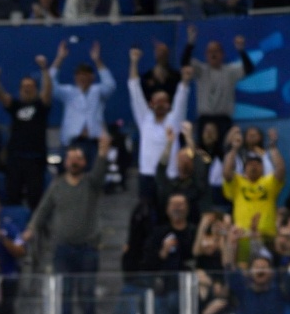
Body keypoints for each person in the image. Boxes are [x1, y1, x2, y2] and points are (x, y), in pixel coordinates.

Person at [24, 138, 110, 314]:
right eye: (71, 158)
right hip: (63, 248)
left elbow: (100, 172)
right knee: (65, 292)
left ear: (84, 163)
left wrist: (103, 152)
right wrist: (32, 228)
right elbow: (43, 209)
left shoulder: (90, 183)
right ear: (65, 162)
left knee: (87, 292)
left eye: (78, 159)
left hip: (88, 246)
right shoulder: (57, 185)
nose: (74, 162)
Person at [128, 48, 192, 201]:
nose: (160, 105)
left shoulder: (174, 120)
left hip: (169, 176)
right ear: (150, 104)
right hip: (147, 176)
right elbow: (134, 88)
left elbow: (181, 98)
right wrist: (134, 62)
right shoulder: (144, 119)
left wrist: (185, 80)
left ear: (169, 105)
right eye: (157, 101)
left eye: (164, 101)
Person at [0, 56, 52, 210]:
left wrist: (44, 69)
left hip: (35, 159)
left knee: (35, 197)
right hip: (15, 158)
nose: (27, 88)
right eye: (24, 85)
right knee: (12, 195)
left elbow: (48, 91)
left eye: (30, 85)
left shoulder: (40, 106)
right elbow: (0, 95)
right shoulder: (15, 105)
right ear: (20, 88)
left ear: (35, 88)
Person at [182, 29, 255, 141]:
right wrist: (190, 43)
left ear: (222, 54)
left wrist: (241, 50)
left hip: (223, 120)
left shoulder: (230, 71)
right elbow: (184, 63)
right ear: (206, 55)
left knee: (224, 151)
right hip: (204, 119)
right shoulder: (200, 70)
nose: (213, 54)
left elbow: (249, 69)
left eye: (216, 51)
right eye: (210, 52)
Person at [49, 40, 116, 158]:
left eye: (86, 74)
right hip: (72, 143)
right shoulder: (69, 92)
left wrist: (97, 60)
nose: (82, 77)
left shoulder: (98, 91)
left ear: (92, 77)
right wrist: (60, 58)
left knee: (95, 175)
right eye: (79, 74)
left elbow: (110, 85)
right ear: (75, 77)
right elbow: (49, 85)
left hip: (95, 143)